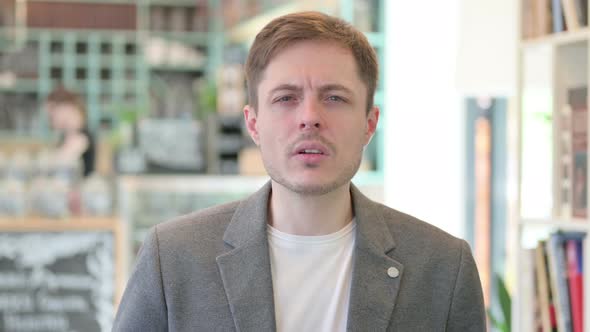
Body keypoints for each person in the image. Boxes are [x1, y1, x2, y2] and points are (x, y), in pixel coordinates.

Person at [113, 11, 485, 331]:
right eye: (286, 98)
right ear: (253, 124)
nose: (309, 118)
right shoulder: (174, 259)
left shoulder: (442, 268)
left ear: (369, 124)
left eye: (335, 98)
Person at [45, 86, 95, 177]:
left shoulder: (81, 137)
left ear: (66, 107)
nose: (50, 120)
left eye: (52, 114)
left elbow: (59, 165)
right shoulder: (67, 136)